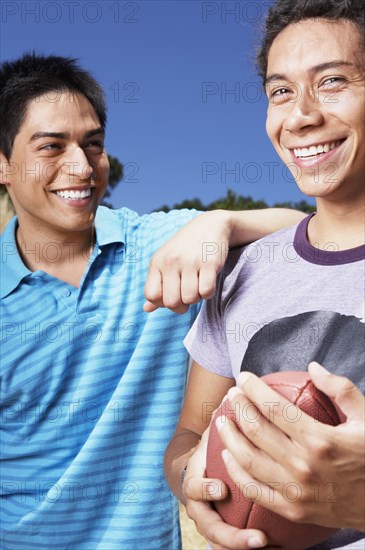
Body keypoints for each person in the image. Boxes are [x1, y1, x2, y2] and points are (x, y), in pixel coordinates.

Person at [0, 53, 305, 549]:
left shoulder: (160, 243)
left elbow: (310, 233)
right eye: (51, 147)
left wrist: (221, 222)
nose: (81, 166)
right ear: (4, 165)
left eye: (92, 144)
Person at [164, 0, 365, 548]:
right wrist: (196, 489)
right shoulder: (243, 272)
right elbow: (187, 437)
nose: (300, 115)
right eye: (280, 91)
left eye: (332, 82)